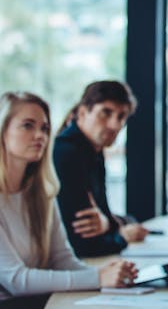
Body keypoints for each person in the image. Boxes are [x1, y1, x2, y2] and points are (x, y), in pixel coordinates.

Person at [0, 92, 137, 308]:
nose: (40, 136)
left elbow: (63, 261)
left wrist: (108, 273)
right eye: (28, 126)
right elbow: (15, 280)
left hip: (29, 302)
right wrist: (98, 278)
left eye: (44, 128)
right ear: (2, 132)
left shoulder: (40, 193)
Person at [54, 81, 149, 257]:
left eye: (121, 117)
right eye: (106, 113)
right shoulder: (67, 153)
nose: (115, 125)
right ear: (82, 112)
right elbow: (83, 243)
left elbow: (104, 216)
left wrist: (109, 224)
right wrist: (121, 236)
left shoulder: (93, 152)